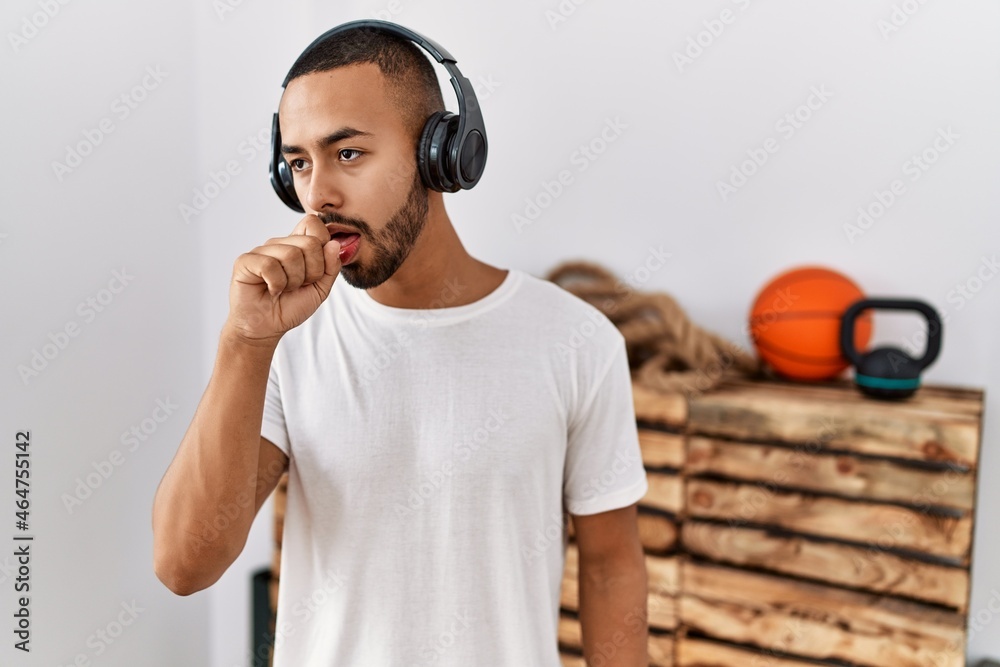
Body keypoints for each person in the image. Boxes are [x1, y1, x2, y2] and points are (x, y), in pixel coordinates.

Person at [152, 21, 650, 666]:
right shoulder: (281, 343)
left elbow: (611, 565)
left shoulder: (577, 341)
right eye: (299, 163)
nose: (317, 196)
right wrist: (244, 343)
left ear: (443, 153)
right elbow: (183, 566)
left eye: (349, 154)